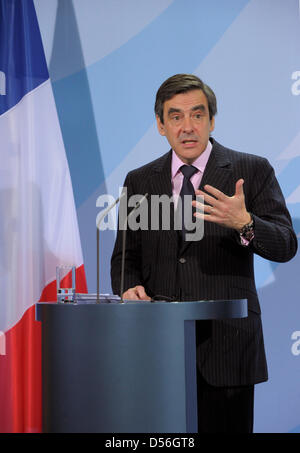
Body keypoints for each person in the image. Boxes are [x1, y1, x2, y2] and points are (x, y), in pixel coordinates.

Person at [110, 74, 298, 433]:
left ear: (212, 120)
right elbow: (125, 256)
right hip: (157, 348)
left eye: (197, 115)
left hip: (227, 347)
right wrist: (129, 286)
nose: (187, 127)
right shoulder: (139, 180)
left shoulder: (250, 170)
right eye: (176, 117)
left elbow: (287, 244)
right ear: (160, 125)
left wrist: (245, 222)